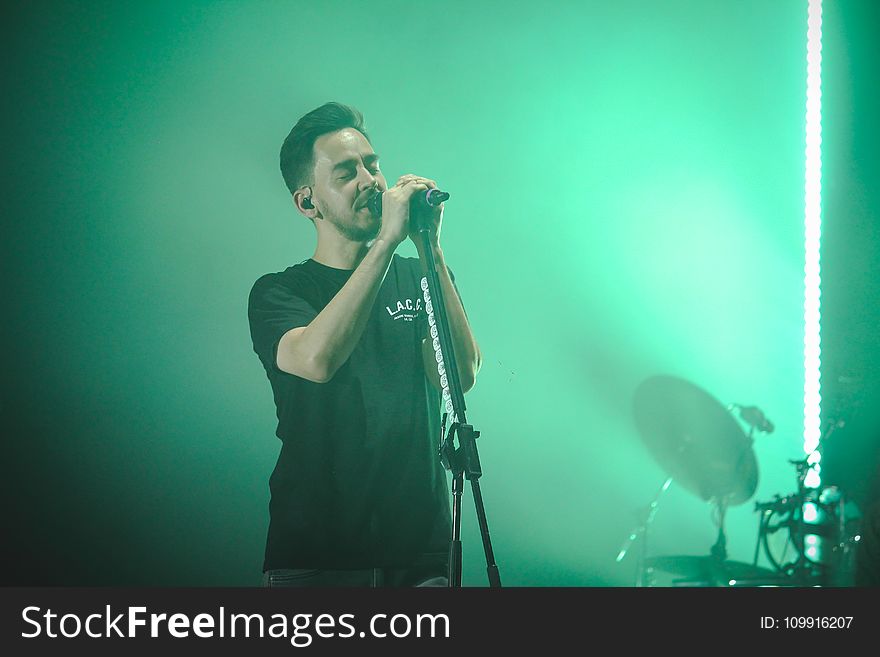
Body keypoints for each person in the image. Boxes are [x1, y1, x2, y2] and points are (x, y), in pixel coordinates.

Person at [248, 102, 481, 587]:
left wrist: (429, 247)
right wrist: (385, 245)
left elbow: (457, 377)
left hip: (417, 551)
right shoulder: (280, 292)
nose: (371, 181)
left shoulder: (421, 275)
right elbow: (316, 359)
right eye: (346, 172)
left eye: (372, 165)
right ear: (308, 202)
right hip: (318, 554)